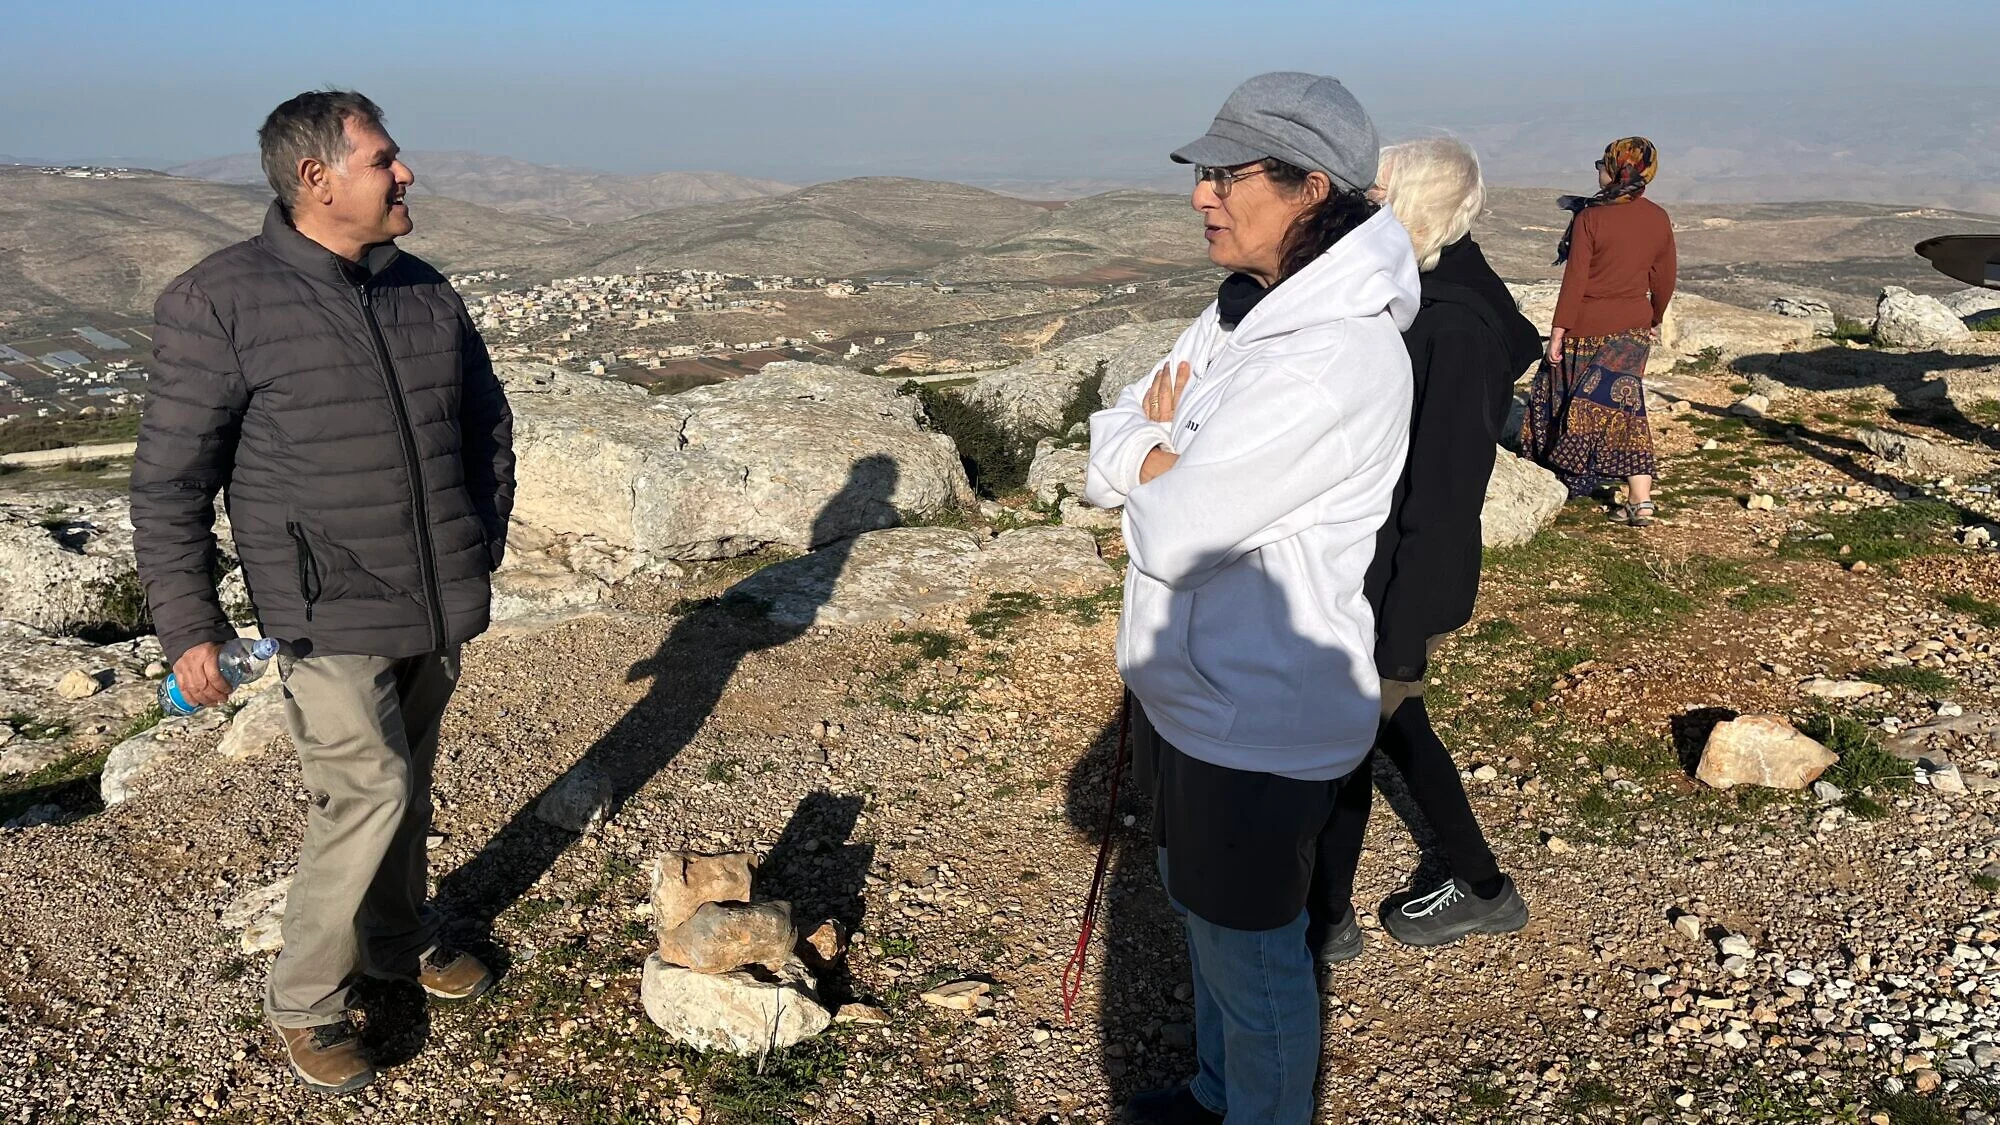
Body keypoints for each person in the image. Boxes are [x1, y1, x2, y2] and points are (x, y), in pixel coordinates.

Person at [131, 90, 515, 1096]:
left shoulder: (424, 290)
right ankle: (305, 1000)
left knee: (407, 783)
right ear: (318, 178)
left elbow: (485, 430)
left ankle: (394, 940)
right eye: (385, 159)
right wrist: (190, 627)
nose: (406, 173)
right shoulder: (219, 301)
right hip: (322, 606)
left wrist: (481, 543)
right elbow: (172, 480)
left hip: (433, 596)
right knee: (368, 788)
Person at [1085, 72, 1419, 1125]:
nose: (1200, 195)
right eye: (1203, 173)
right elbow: (1114, 437)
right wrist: (1156, 451)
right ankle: (1212, 1095)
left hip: (1254, 715)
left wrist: (1150, 453)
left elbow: (1178, 532)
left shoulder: (1326, 356)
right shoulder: (1245, 308)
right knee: (1205, 923)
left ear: (1312, 185)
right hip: (1199, 695)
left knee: (1253, 955)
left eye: (1227, 174)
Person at [1305, 138, 1541, 963]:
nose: (1362, 200)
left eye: (1379, 189)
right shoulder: (1424, 291)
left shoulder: (1453, 328)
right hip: (1375, 567)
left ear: (1416, 205)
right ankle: (1480, 886)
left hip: (1397, 577)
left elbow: (1443, 493)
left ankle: (1324, 917)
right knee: (1395, 731)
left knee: (1351, 736)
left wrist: (1399, 630)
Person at [1519, 136, 1676, 525]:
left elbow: (1576, 280)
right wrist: (1654, 316)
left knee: (1560, 397)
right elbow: (1665, 277)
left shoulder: (1590, 217)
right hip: (1633, 329)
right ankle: (1640, 498)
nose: (1597, 171)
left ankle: (1563, 476)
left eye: (1599, 164)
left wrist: (1558, 330)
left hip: (1586, 327)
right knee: (1624, 404)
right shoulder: (1658, 218)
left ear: (1615, 170)